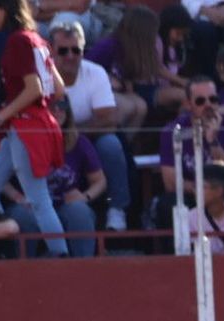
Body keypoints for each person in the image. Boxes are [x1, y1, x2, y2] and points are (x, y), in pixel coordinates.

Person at [0, 0, 67, 258]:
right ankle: (6, 246)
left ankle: (61, 257)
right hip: (30, 124)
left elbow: (35, 89)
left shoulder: (17, 41)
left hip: (25, 127)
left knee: (39, 201)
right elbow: (57, 89)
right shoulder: (36, 39)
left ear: (5, 9)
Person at [51, 22, 132, 232]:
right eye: (63, 50)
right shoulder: (41, 76)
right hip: (48, 139)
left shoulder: (95, 73)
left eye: (76, 50)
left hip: (87, 139)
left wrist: (72, 131)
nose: (70, 55)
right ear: (51, 51)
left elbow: (110, 120)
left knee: (111, 144)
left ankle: (117, 208)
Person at [3, 95, 103, 257]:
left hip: (65, 205)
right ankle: (24, 271)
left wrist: (85, 196)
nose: (57, 110)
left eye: (62, 105)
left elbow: (99, 180)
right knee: (21, 215)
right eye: (51, 105)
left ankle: (84, 269)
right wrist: (16, 196)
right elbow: (0, 180)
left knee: (80, 211)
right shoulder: (21, 139)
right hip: (31, 206)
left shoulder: (79, 141)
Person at [159, 73, 224, 211]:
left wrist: (213, 142)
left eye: (213, 99)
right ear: (188, 104)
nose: (208, 105)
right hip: (192, 194)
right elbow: (171, 183)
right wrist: (205, 190)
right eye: (200, 101)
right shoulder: (172, 131)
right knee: (169, 203)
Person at [86, 6, 166, 125]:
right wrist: (106, 79)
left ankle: (127, 142)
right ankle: (116, 138)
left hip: (117, 91)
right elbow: (85, 69)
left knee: (141, 106)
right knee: (127, 107)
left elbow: (127, 76)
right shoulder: (109, 45)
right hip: (94, 91)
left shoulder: (133, 50)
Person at [186, 162, 224, 252]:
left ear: (219, 191)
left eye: (202, 187)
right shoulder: (189, 218)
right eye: (195, 187)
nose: (196, 192)